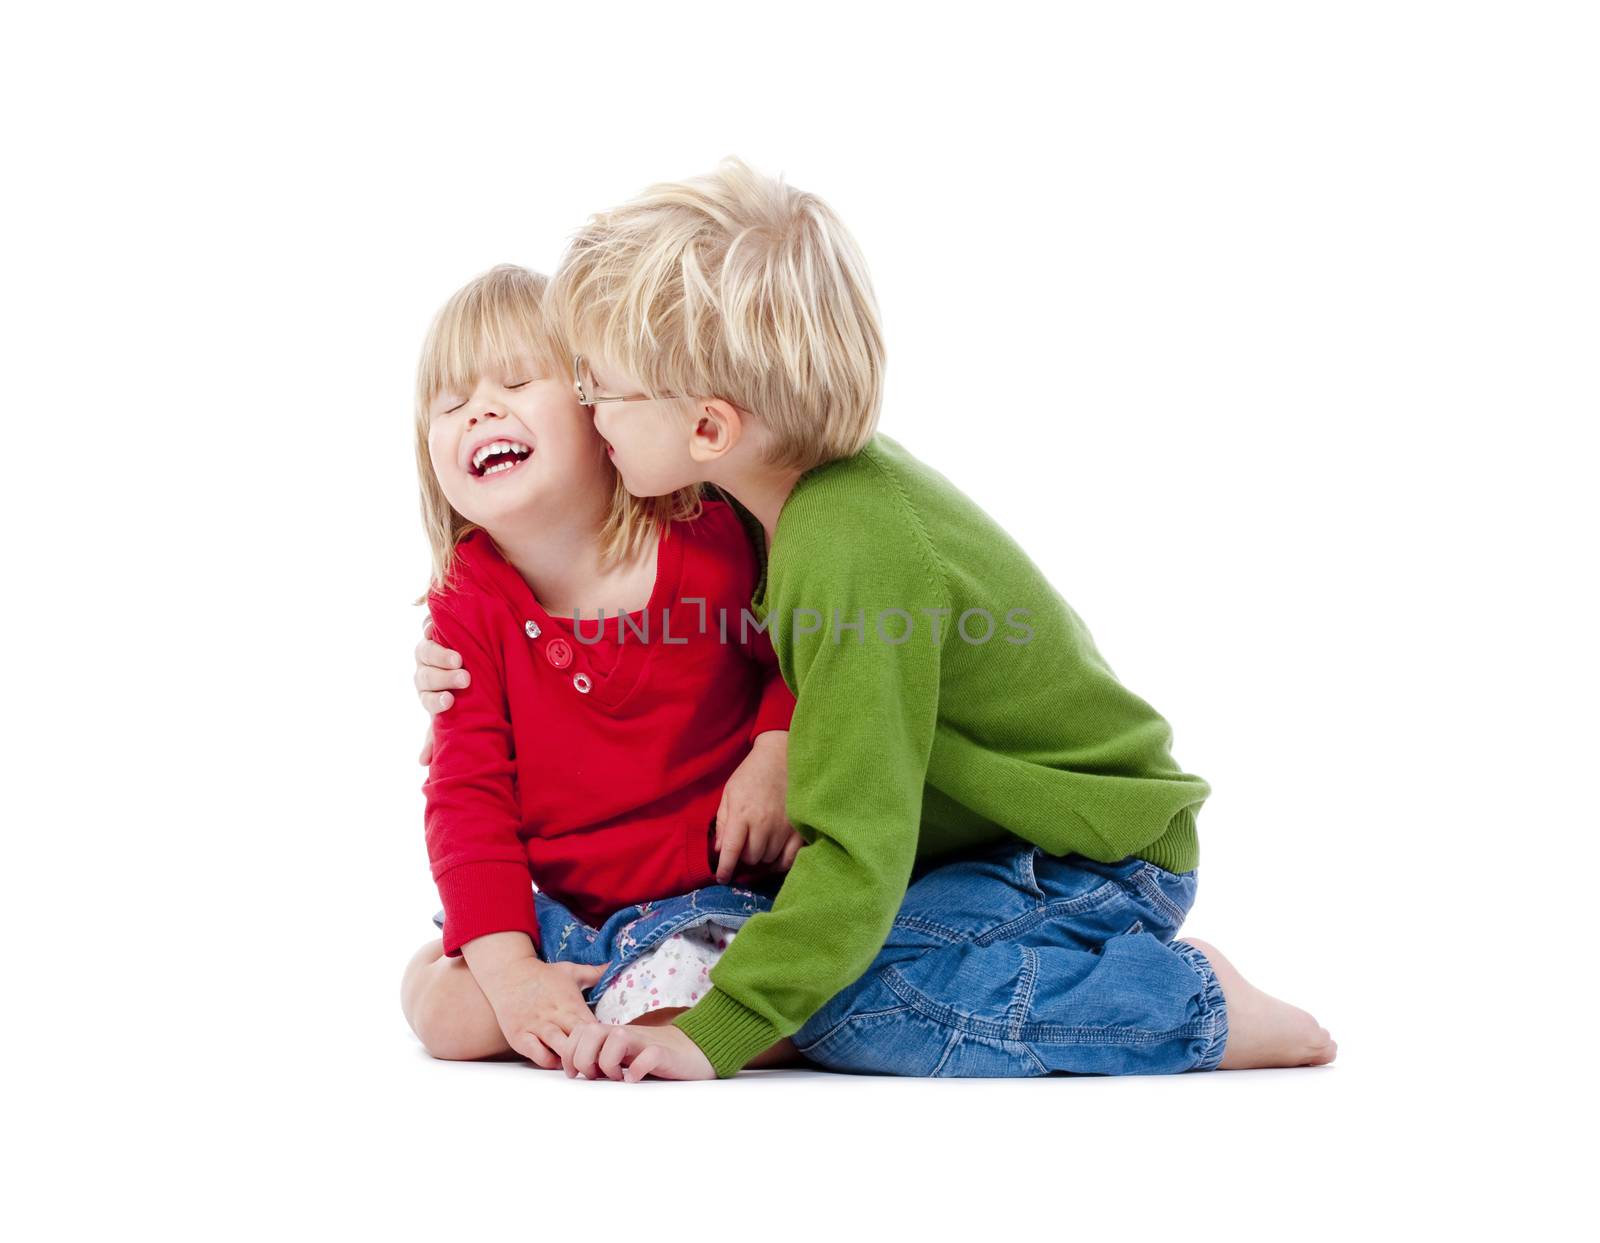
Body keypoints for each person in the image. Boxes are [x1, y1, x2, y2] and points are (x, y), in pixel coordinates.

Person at [421, 163, 1338, 1083]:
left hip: (1084, 856)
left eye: (601, 388)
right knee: (788, 964)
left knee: (852, 1002)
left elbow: (858, 847)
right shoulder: (768, 492)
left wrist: (715, 1033)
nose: (588, 404)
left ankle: (1190, 1004)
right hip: (952, 849)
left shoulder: (845, 548)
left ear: (708, 427)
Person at [399, 263, 805, 1071]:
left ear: (601, 415)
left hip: (717, 894)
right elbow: (466, 794)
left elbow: (807, 649)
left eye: (516, 380)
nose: (481, 408)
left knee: (732, 995)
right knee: (444, 1011)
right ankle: (569, 996)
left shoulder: (706, 537)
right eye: (451, 404)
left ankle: (653, 1009)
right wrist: (511, 971)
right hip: (566, 915)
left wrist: (777, 746)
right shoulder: (468, 599)